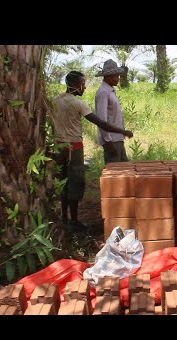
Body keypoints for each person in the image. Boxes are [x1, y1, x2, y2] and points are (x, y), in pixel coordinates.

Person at [51, 71, 133, 230]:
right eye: (82, 84)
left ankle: (64, 217)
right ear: (74, 85)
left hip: (57, 146)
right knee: (75, 181)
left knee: (63, 181)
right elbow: (101, 123)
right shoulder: (78, 103)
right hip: (73, 147)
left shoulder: (55, 100)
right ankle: (73, 221)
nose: (85, 87)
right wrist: (122, 131)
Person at [95, 59, 133, 164]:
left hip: (118, 139)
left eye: (118, 76)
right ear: (107, 77)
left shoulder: (110, 91)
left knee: (124, 168)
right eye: (115, 76)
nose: (118, 78)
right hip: (111, 140)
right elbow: (102, 119)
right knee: (114, 171)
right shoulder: (103, 93)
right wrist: (108, 141)